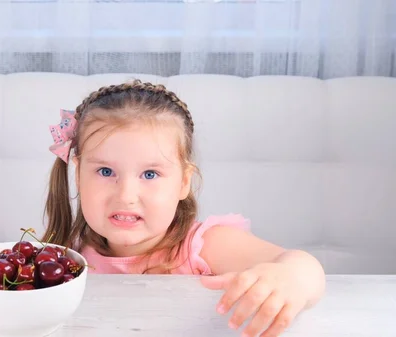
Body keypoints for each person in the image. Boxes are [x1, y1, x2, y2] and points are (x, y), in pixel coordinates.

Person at [41, 79, 326, 337]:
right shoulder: (67, 258)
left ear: (183, 182)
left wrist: (289, 278)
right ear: (78, 175)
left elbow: (304, 267)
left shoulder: (204, 246)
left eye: (150, 174)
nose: (126, 196)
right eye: (105, 171)